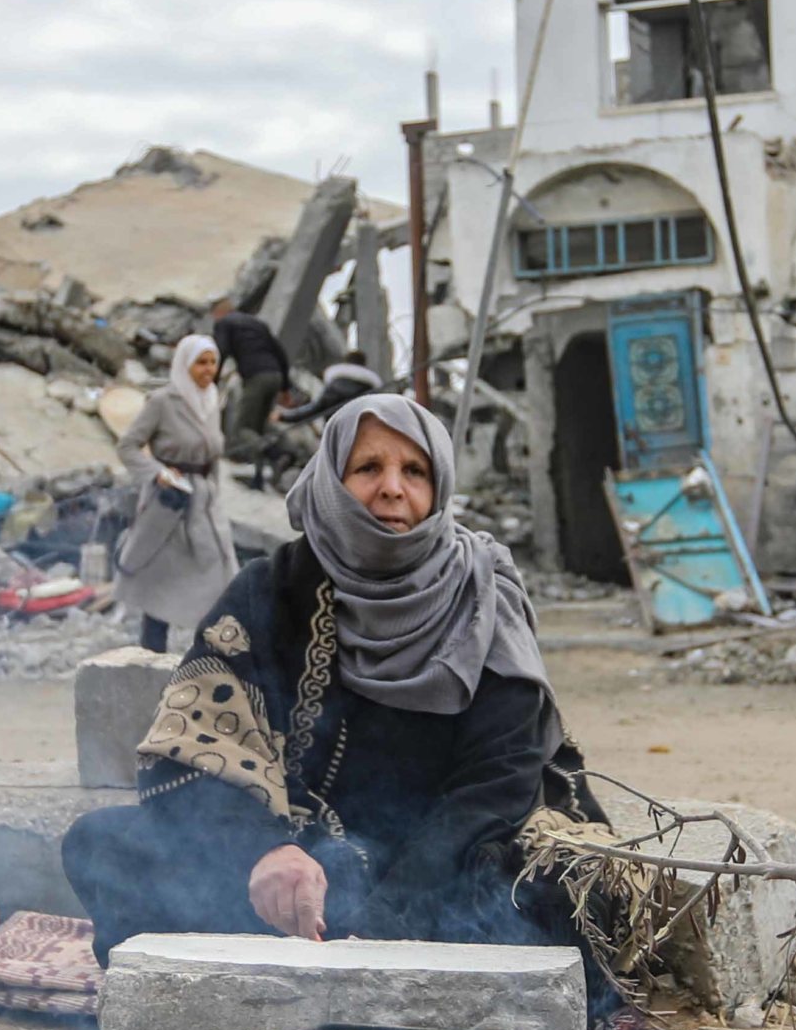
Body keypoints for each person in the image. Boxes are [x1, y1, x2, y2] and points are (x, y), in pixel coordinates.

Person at [62, 394, 610, 984]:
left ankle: (307, 975)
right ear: (331, 481)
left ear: (440, 488)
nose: (393, 489)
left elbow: (498, 782)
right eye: (368, 468)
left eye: (415, 471)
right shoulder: (270, 590)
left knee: (558, 894)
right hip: (301, 866)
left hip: (443, 868)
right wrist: (263, 850)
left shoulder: (483, 600)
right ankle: (258, 984)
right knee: (105, 843)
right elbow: (190, 743)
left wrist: (387, 920)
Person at [113, 335, 238, 655]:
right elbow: (127, 447)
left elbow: (212, 458)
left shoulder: (212, 400)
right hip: (168, 505)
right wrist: (157, 473)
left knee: (219, 576)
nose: (209, 370)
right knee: (160, 585)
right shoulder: (162, 402)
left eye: (213, 362)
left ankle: (213, 663)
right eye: (201, 362)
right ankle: (151, 659)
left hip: (204, 504)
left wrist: (216, 497)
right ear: (185, 365)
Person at [207, 299, 292, 456]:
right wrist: (286, 387)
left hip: (256, 377)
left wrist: (211, 382)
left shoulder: (224, 323)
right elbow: (281, 353)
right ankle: (279, 458)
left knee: (243, 428)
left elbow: (221, 352)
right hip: (276, 376)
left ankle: (276, 455)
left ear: (217, 313)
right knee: (260, 427)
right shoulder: (257, 324)